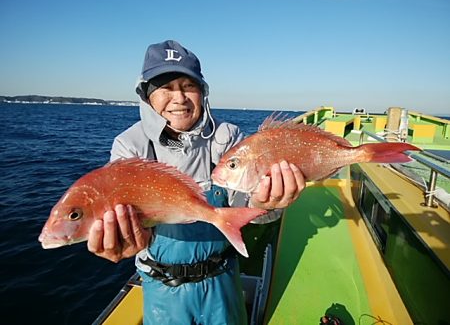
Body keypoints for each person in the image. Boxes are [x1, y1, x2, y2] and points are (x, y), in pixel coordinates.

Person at [87, 40, 305, 325]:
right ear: (146, 96)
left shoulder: (227, 137)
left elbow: (245, 204)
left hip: (223, 280)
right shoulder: (130, 146)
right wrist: (116, 238)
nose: (178, 98)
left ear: (203, 92)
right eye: (165, 87)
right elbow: (114, 209)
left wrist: (265, 205)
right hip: (161, 286)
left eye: (188, 86)